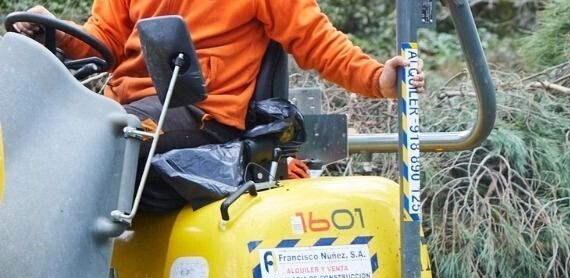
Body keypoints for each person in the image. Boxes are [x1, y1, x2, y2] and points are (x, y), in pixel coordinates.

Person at [15, 0, 422, 205]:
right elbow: (103, 36)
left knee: (101, 139)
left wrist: (378, 79)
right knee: (46, 135)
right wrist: (56, 31)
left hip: (206, 115)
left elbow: (316, 40)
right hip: (130, 107)